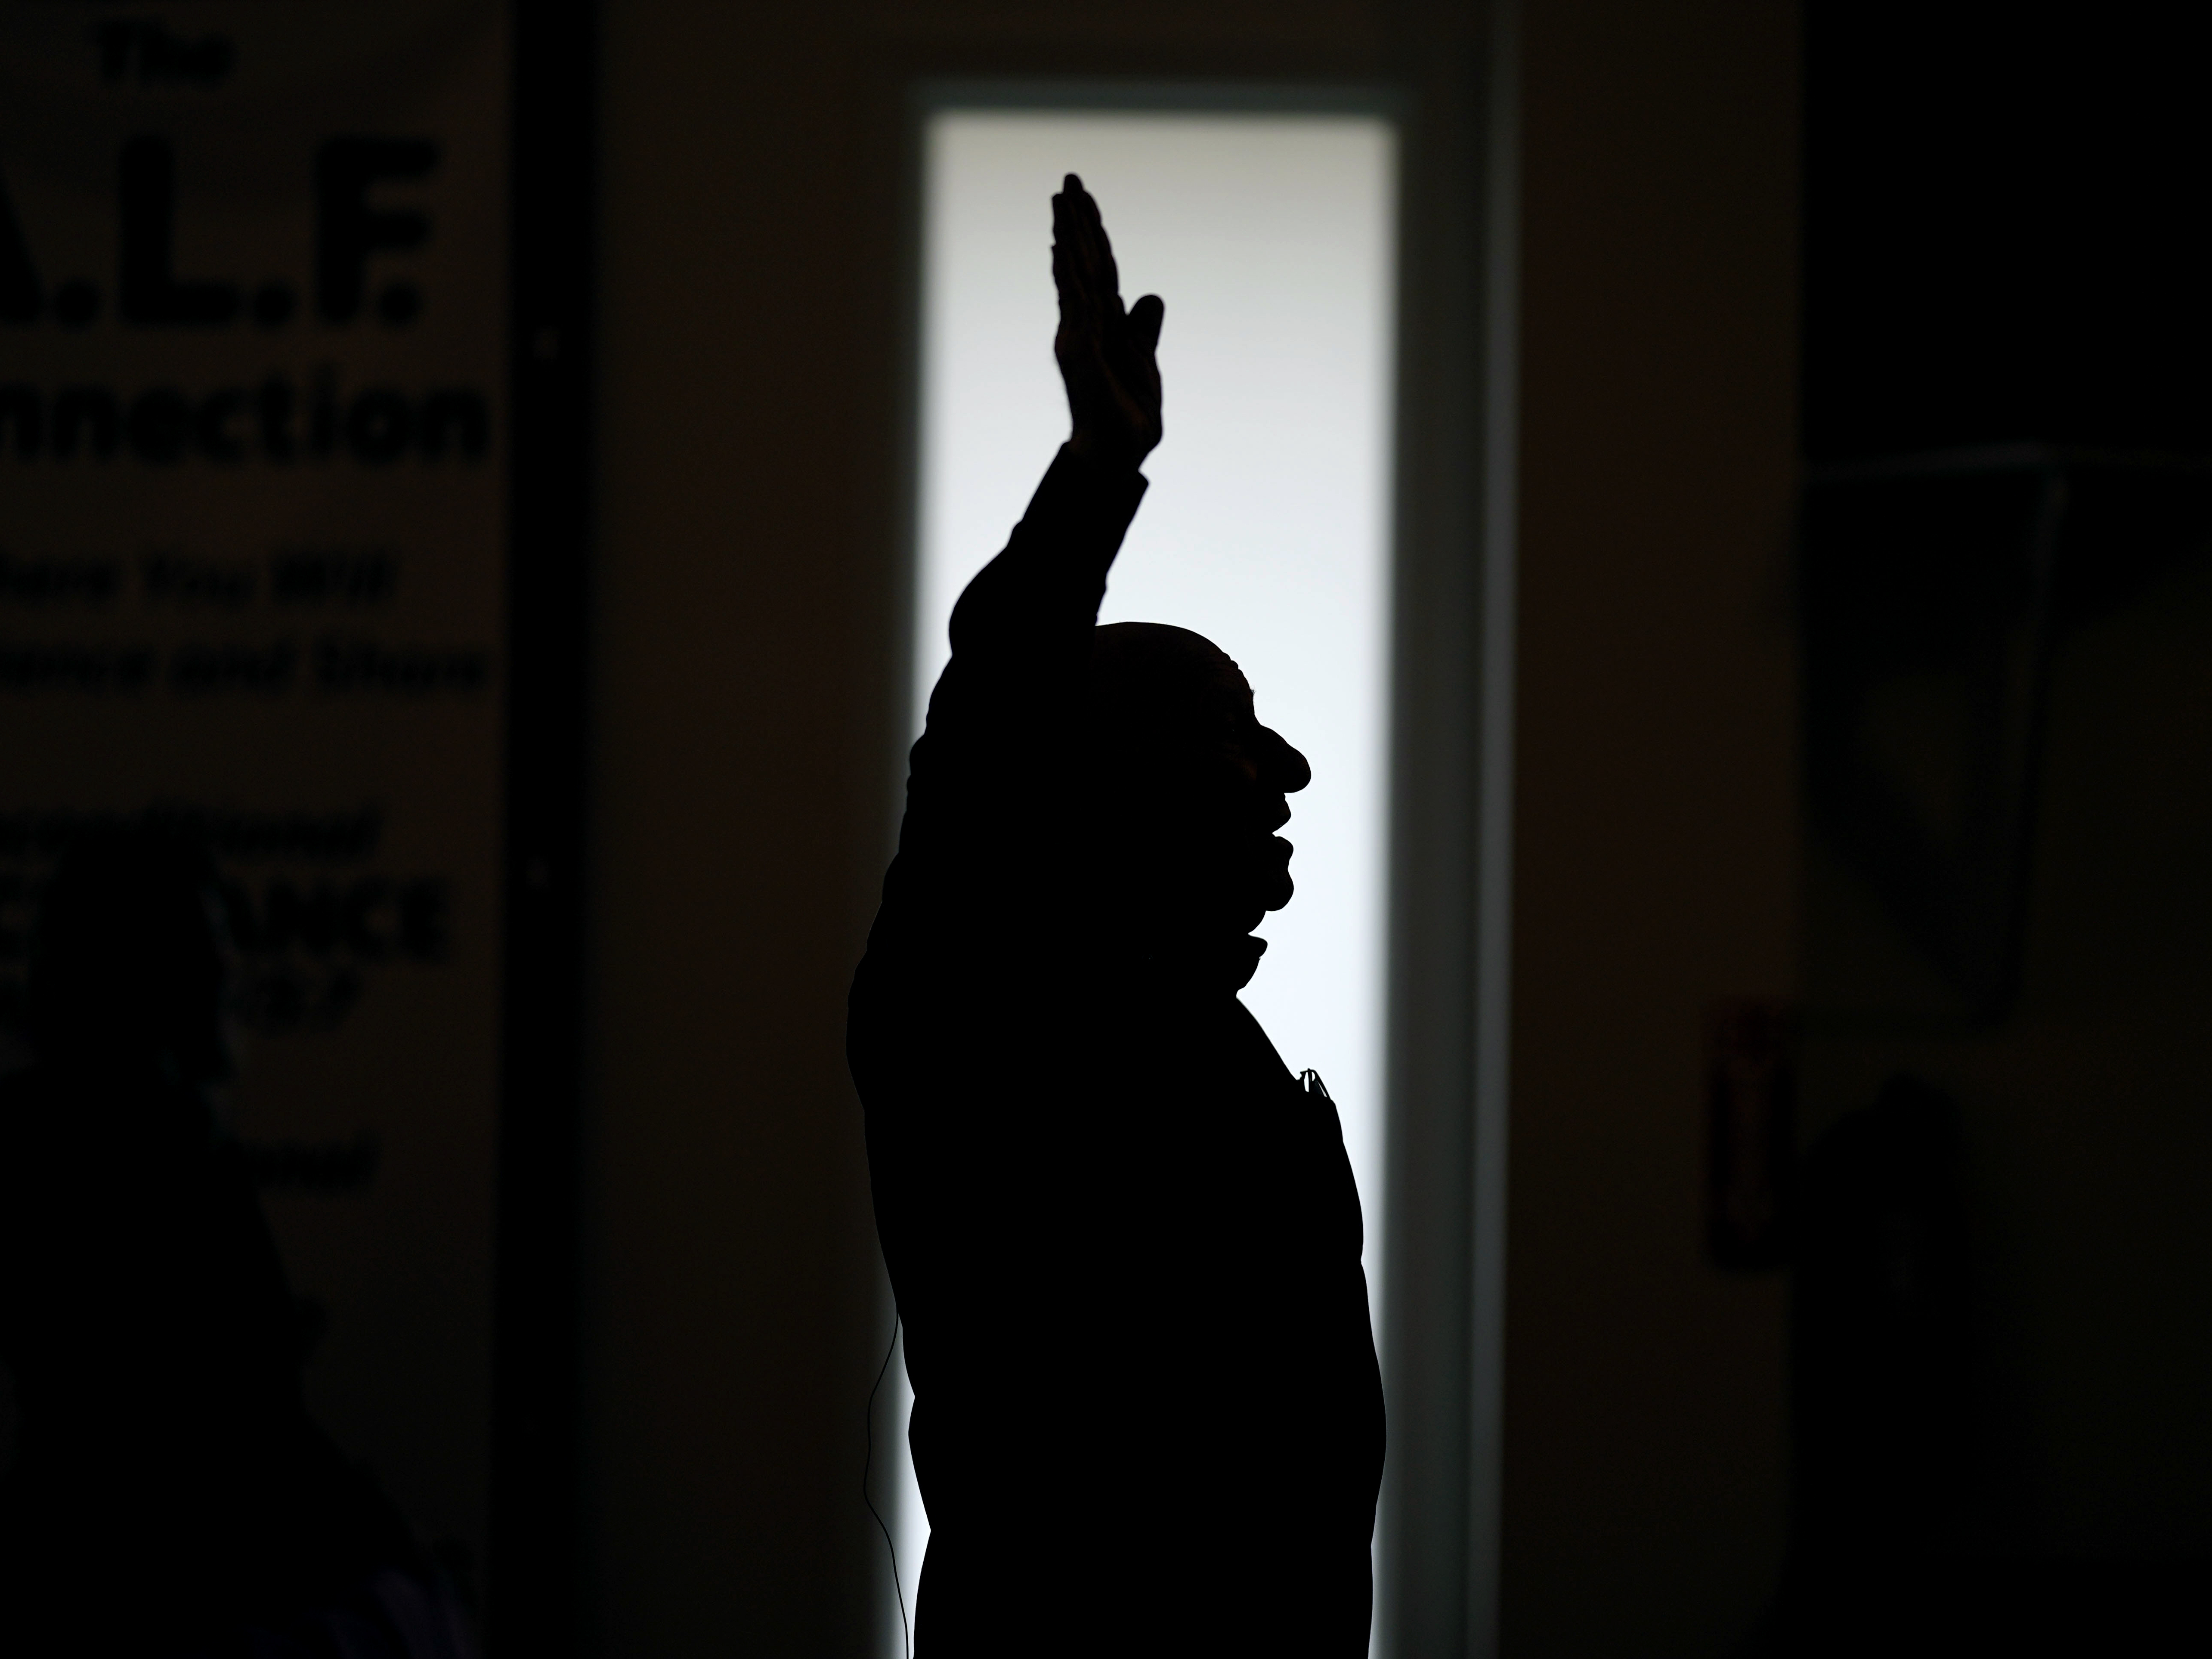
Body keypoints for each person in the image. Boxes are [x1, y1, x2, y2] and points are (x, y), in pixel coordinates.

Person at [850, 176, 1385, 1655]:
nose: (1285, 775)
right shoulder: (976, 1031)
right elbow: (978, 753)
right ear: (1099, 790)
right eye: (1228, 730)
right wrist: (1098, 466)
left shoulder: (1213, 1046)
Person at [0, 826, 473, 1657]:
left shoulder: (73, 1143)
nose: (232, 977)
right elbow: (242, 1432)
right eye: (205, 950)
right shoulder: (163, 1158)